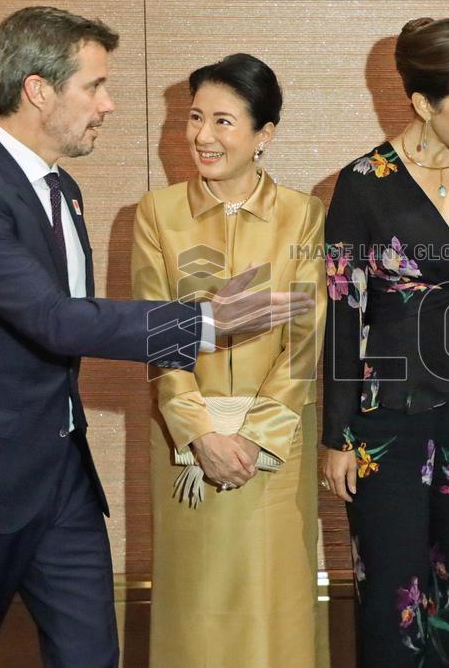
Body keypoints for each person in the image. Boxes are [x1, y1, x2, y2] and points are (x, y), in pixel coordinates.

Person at [0, 8, 312, 668]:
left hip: (61, 482)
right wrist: (207, 321)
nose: (108, 105)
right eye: (95, 86)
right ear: (39, 90)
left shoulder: (63, 192)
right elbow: (56, 318)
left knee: (90, 657)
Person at [321, 18, 449, 668]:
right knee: (393, 594)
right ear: (421, 102)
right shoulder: (363, 183)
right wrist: (337, 435)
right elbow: (340, 315)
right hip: (387, 421)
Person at [132, 53, 326, 667]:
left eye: (223, 121)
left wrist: (257, 435)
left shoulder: (305, 215)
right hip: (189, 447)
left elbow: (306, 337)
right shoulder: (156, 214)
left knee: (277, 613)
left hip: (277, 446)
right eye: (194, 118)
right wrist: (200, 433)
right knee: (198, 615)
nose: (202, 136)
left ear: (264, 134)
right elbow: (157, 334)